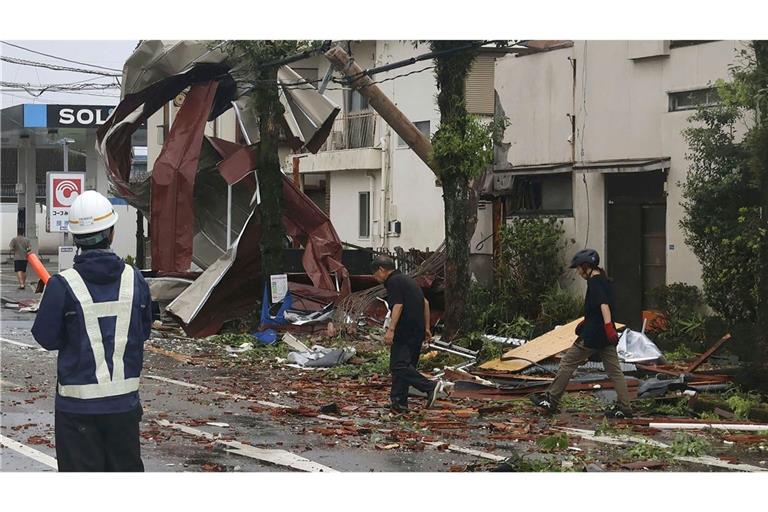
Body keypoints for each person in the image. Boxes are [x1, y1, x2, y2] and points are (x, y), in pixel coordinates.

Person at [32, 190, 152, 472]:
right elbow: (143, 331)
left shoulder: (62, 285)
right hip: (124, 410)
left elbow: (46, 338)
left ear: (75, 238)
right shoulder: (133, 279)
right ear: (110, 233)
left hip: (77, 414)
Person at [530, 249, 633, 418]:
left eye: (578, 268)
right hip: (606, 337)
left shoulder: (595, 282)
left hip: (593, 336)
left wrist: (606, 326)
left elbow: (604, 306)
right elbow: (600, 309)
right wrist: (594, 325)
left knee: (567, 362)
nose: (578, 272)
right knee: (615, 372)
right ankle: (625, 407)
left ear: (586, 267)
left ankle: (551, 400)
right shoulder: (605, 280)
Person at [372, 255, 443, 413]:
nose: (375, 278)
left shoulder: (393, 281)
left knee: (398, 365)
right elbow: (425, 303)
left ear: (382, 269)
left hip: (405, 328)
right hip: (416, 329)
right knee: (404, 366)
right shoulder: (408, 280)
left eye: (375, 274)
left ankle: (430, 386)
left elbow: (398, 305)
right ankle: (399, 403)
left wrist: (390, 330)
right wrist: (426, 327)